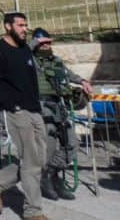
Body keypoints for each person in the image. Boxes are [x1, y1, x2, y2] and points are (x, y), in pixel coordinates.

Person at [0, 12, 49, 220]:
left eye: (26, 25)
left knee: (40, 159)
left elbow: (32, 80)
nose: (24, 29)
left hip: (34, 110)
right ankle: (33, 211)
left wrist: (36, 106)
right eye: (20, 25)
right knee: (30, 161)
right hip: (17, 112)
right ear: (7, 27)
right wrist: (12, 106)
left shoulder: (25, 51)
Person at [30, 27, 93, 201]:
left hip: (58, 107)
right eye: (42, 43)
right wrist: (34, 43)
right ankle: (50, 181)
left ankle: (50, 175)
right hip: (41, 108)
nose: (46, 46)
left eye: (48, 42)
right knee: (49, 147)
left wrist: (83, 81)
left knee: (72, 143)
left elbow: (69, 74)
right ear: (35, 43)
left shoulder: (55, 60)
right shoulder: (29, 61)